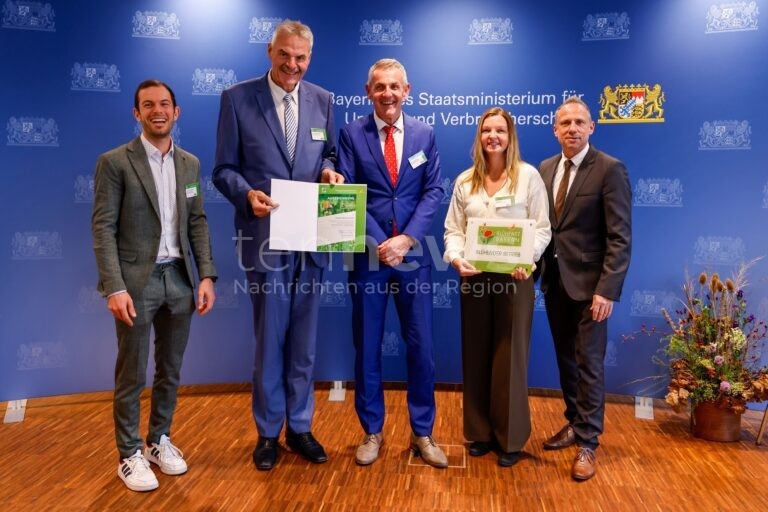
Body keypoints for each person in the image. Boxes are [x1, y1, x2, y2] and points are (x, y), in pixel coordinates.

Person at [212, 20, 343, 471]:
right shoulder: (236, 98)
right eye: (285, 55)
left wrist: (329, 171)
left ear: (310, 58)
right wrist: (246, 195)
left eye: (301, 58)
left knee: (304, 344)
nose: (292, 65)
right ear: (271, 50)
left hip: (312, 241)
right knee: (270, 341)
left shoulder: (323, 100)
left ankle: (300, 427)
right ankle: (268, 432)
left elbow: (328, 154)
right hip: (265, 239)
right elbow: (223, 169)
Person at [91, 79, 217, 491]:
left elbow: (196, 222)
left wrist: (207, 276)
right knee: (131, 373)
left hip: (179, 279)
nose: (157, 110)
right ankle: (128, 454)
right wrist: (114, 286)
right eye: (148, 105)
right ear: (137, 113)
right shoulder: (115, 162)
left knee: (170, 369)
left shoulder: (191, 165)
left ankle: (158, 440)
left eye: (164, 104)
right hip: (135, 283)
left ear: (176, 112)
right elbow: (103, 227)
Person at [338, 58, 447, 468]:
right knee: (367, 345)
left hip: (413, 256)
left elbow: (433, 190)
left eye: (394, 86)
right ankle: (371, 431)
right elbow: (348, 189)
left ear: (407, 89)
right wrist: (382, 242)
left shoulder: (424, 134)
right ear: (369, 92)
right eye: (380, 87)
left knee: (421, 346)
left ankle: (423, 432)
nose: (387, 94)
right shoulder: (351, 134)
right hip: (369, 255)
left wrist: (406, 239)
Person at [443, 107, 551, 467]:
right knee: (475, 353)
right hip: (473, 278)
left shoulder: (528, 178)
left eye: (500, 131)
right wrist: (457, 258)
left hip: (514, 279)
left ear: (510, 137)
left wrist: (527, 259)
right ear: (479, 137)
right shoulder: (464, 182)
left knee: (510, 357)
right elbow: (453, 230)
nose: (493, 136)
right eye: (487, 130)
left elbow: (541, 228)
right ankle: (480, 433)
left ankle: (510, 438)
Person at [538, 96, 631, 481]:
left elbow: (620, 237)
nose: (572, 129)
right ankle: (575, 422)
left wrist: (607, 290)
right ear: (555, 130)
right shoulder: (544, 169)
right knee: (566, 361)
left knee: (590, 364)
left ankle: (589, 443)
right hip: (555, 284)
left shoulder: (610, 170)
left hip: (593, 289)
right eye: (565, 123)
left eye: (579, 122)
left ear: (591, 127)